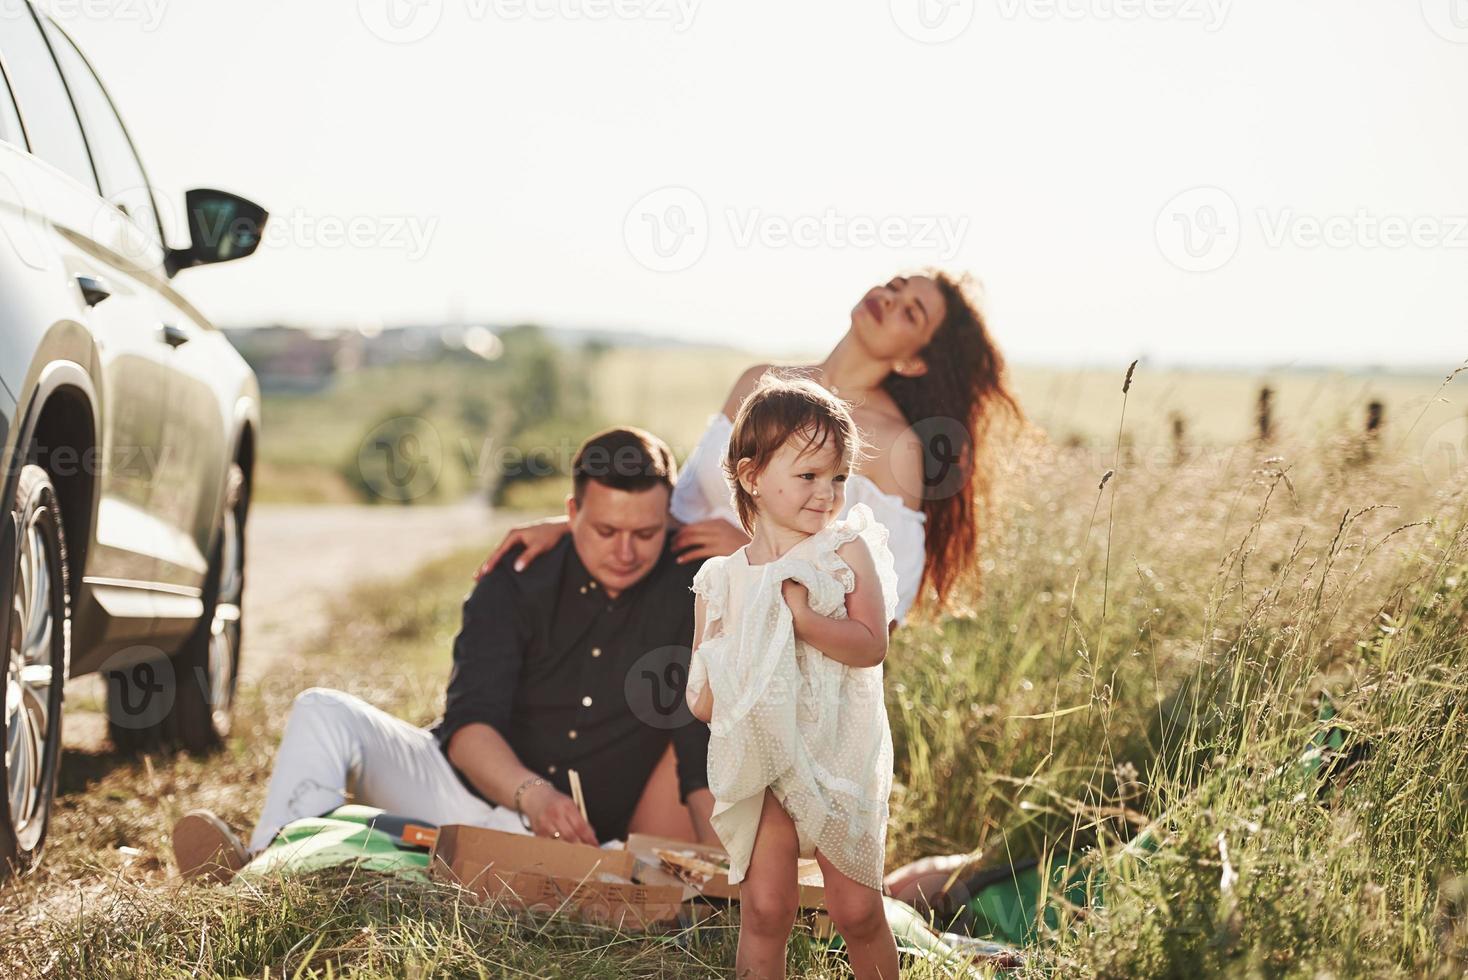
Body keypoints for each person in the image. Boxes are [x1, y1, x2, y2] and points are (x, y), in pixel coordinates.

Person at [171, 427, 719, 881]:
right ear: (571, 511)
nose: (625, 552)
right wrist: (533, 793)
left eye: (645, 533)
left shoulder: (690, 592)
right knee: (322, 711)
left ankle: (309, 859)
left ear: (667, 518)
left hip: (561, 843)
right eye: (605, 530)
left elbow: (698, 743)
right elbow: (469, 725)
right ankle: (269, 866)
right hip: (452, 787)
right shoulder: (517, 577)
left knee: (458, 859)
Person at [476, 270, 1024, 628]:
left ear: (914, 361)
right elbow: (681, 504)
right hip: (670, 592)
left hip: (767, 638)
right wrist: (570, 525)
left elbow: (886, 608)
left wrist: (753, 551)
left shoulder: (895, 445)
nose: (891, 299)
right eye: (897, 285)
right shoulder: (759, 381)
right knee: (527, 576)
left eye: (912, 312)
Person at [686, 374, 901, 980]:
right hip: (766, 760)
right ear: (753, 476)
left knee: (856, 909)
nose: (826, 493)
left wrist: (803, 619)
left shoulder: (844, 552)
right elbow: (703, 698)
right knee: (766, 907)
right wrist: (715, 674)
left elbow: (870, 645)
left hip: (838, 754)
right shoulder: (723, 580)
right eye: (808, 476)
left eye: (836, 477)